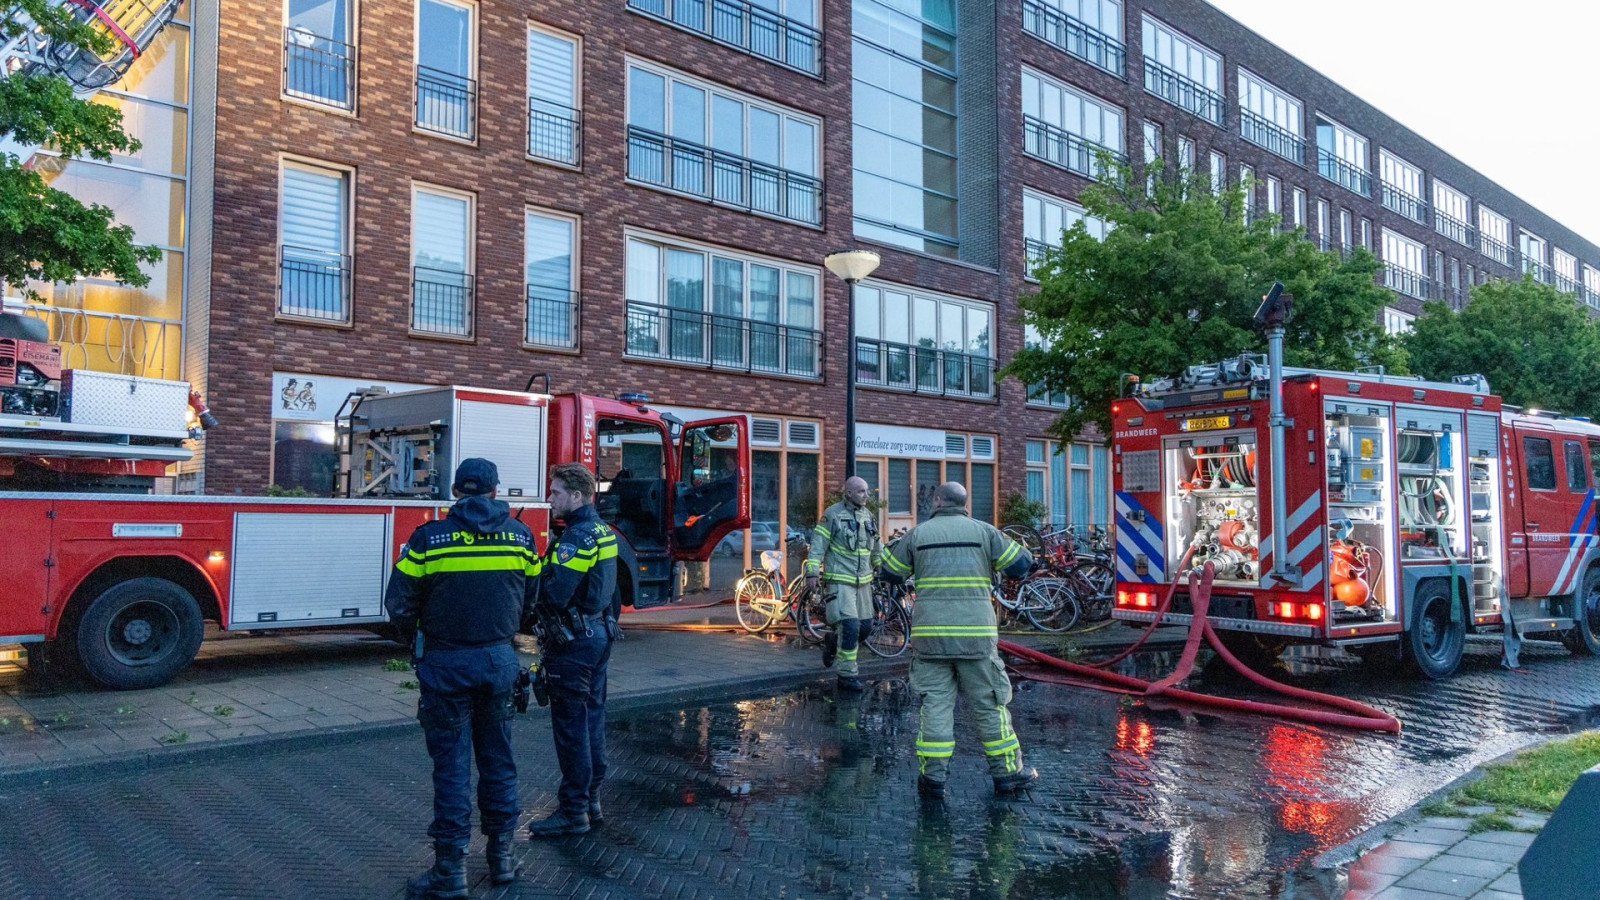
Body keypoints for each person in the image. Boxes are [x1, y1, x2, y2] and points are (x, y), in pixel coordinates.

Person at [384, 458, 539, 898]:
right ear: (495, 491)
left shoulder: (430, 539)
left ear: (457, 491)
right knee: (499, 762)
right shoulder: (521, 536)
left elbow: (399, 603)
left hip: (446, 664)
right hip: (498, 662)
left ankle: (450, 872)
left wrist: (417, 645)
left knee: (451, 769)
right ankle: (502, 860)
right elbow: (533, 597)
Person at [880, 482, 1037, 800]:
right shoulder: (985, 532)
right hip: (976, 639)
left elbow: (890, 572)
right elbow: (1021, 565)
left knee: (935, 707)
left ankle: (933, 780)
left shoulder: (918, 534)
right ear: (965, 504)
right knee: (990, 705)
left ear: (937, 502)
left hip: (930, 638)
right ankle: (1006, 774)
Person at [526, 462, 621, 838]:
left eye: (556, 493)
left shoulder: (578, 537)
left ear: (577, 496)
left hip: (574, 644)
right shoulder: (604, 532)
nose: (550, 498)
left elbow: (556, 593)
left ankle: (573, 811)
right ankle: (591, 800)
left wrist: (538, 575)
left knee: (571, 730)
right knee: (591, 722)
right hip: (597, 637)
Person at [805, 475, 882, 692]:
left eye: (867, 491)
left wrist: (882, 567)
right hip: (840, 581)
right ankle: (847, 676)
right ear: (848, 493)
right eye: (861, 491)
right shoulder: (832, 515)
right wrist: (812, 572)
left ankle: (832, 641)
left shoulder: (868, 515)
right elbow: (818, 545)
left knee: (865, 628)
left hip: (864, 582)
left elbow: (876, 545)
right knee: (850, 626)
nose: (866, 495)